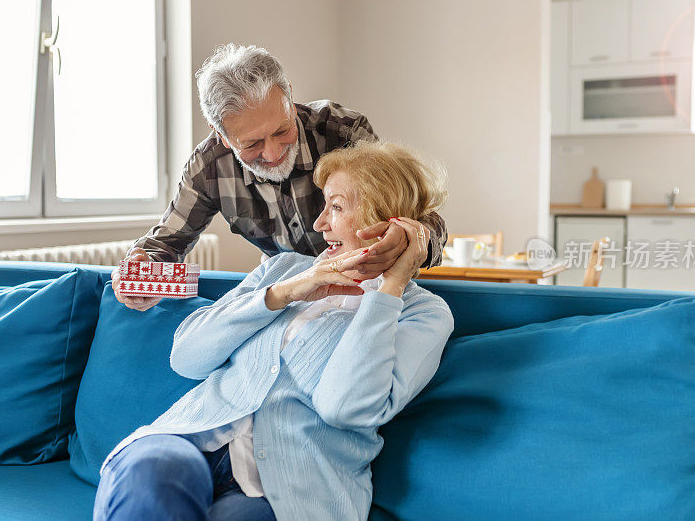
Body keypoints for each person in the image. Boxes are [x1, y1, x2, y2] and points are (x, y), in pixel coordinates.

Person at [93, 140, 455, 520]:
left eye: (336, 206)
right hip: (195, 437)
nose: (319, 224)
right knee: (151, 477)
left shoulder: (422, 313)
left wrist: (390, 287)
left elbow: (345, 407)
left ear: (384, 220)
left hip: (293, 486)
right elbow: (186, 356)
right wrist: (282, 293)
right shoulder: (282, 268)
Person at [112, 43, 447, 311]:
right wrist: (138, 270)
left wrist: (409, 239)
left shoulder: (342, 131)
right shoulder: (209, 166)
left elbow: (428, 223)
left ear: (289, 93)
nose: (272, 154)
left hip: (370, 295)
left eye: (283, 130)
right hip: (290, 301)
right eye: (252, 143)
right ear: (221, 134)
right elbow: (164, 245)